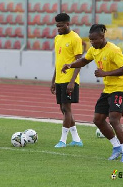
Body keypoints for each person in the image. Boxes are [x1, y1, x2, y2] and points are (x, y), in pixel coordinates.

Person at [61, 24, 123, 162]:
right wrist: (70, 64)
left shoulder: (113, 50)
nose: (92, 43)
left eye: (94, 40)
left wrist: (105, 73)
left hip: (121, 89)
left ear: (102, 36)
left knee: (113, 119)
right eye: (90, 40)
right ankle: (116, 147)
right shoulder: (94, 50)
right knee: (98, 120)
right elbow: (84, 60)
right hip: (108, 89)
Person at [50, 13, 83, 148]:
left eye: (61, 25)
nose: (58, 28)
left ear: (68, 24)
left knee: (66, 108)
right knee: (63, 109)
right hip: (59, 79)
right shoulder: (57, 38)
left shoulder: (75, 38)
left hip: (69, 79)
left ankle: (63, 140)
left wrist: (72, 81)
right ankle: (76, 139)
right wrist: (53, 80)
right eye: (57, 26)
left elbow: (79, 62)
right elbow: (59, 62)